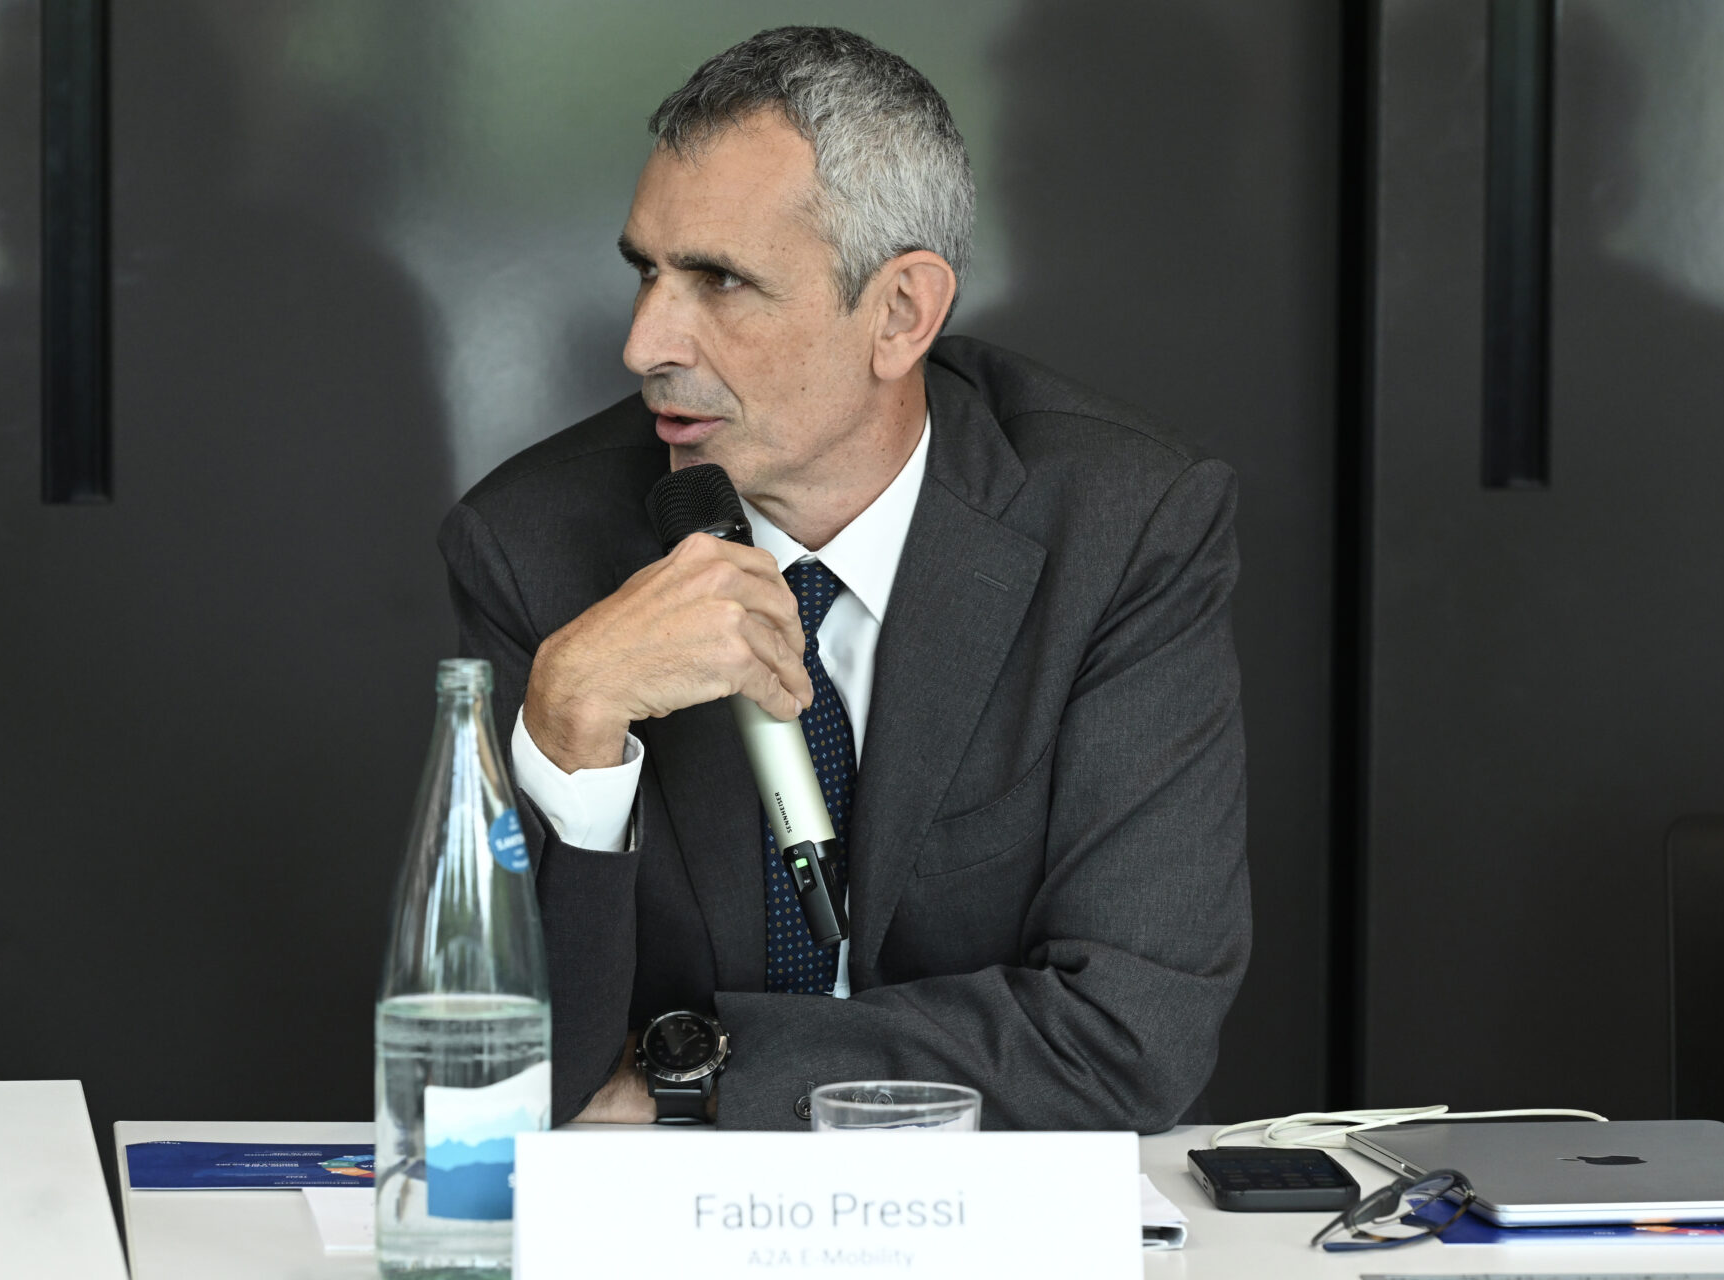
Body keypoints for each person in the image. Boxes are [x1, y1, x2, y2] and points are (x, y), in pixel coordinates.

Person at [439, 26, 1249, 1130]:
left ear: (902, 313)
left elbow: (1128, 1035)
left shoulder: (1121, 527)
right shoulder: (530, 542)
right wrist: (571, 723)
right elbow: (496, 1082)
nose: (644, 343)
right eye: (647, 271)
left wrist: (697, 1075)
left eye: (720, 280)